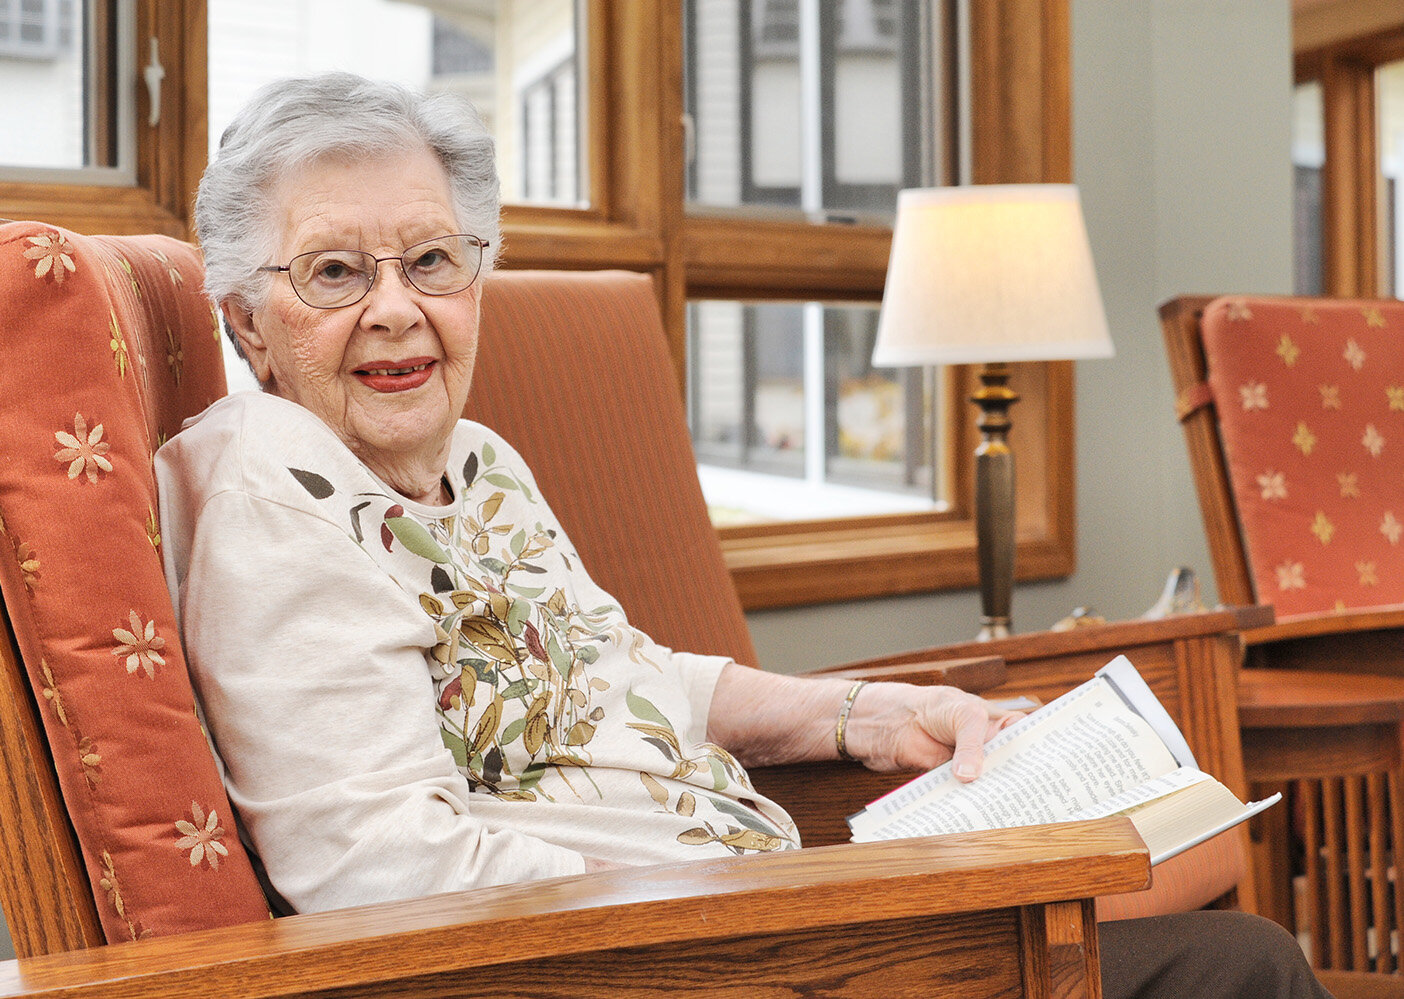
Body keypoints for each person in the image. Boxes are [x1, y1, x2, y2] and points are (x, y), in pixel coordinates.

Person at [156, 72, 1329, 999]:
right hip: (679, 964)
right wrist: (754, 900)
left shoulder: (474, 463)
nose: (397, 307)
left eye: (431, 261)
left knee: (1196, 890)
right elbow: (379, 872)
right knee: (1241, 969)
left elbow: (627, 675)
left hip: (758, 910)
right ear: (246, 320)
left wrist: (867, 717)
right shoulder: (276, 501)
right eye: (333, 273)